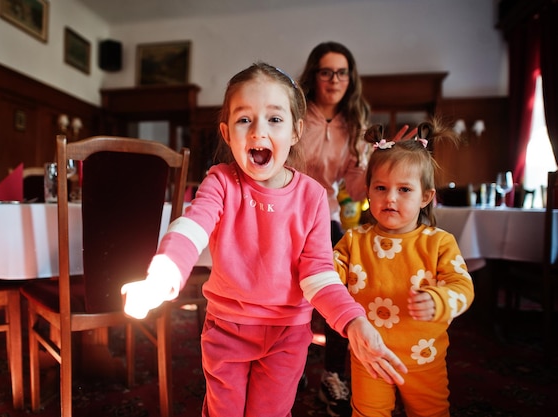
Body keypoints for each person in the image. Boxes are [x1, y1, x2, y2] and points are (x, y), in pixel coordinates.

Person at [120, 62, 407, 417]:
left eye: (274, 119)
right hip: (227, 330)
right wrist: (162, 275)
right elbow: (192, 227)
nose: (258, 130)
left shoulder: (313, 197)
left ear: (296, 131)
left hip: (287, 336)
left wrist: (353, 320)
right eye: (245, 119)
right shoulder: (221, 182)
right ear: (226, 133)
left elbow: (319, 274)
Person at [297, 41, 415, 416]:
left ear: (351, 78)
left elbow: (355, 185)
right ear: (314, 75)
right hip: (283, 211)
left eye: (342, 72)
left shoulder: (354, 122)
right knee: (284, 292)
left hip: (323, 215)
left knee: (341, 289)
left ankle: (332, 374)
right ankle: (290, 363)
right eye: (326, 71)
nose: (334, 80)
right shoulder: (294, 112)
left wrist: (387, 165)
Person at [333, 121, 474, 417]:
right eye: (381, 188)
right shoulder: (354, 240)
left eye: (404, 189)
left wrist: (439, 300)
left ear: (425, 197)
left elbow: (463, 287)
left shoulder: (439, 243)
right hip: (369, 355)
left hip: (424, 357)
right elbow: (327, 276)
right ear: (369, 191)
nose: (391, 198)